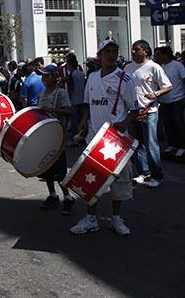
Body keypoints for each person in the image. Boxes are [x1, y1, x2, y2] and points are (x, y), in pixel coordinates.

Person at [71, 39, 138, 236]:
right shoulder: (91, 77)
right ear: (99, 55)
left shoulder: (125, 79)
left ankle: (116, 218)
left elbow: (134, 110)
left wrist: (123, 124)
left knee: (119, 181)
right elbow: (87, 105)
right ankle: (91, 218)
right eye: (107, 51)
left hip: (116, 140)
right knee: (91, 181)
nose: (111, 55)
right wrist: (83, 121)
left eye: (114, 51)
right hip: (94, 138)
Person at [125, 40, 173, 189]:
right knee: (137, 144)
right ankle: (144, 172)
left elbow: (168, 86)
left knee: (151, 144)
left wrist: (156, 93)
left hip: (149, 111)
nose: (133, 52)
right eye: (132, 49)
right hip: (133, 112)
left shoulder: (154, 67)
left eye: (136, 49)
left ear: (145, 51)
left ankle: (157, 175)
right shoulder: (127, 67)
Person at [35, 64, 75, 214]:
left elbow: (69, 112)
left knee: (60, 171)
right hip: (45, 137)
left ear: (55, 77)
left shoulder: (61, 93)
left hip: (57, 137)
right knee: (46, 169)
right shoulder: (43, 93)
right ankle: (52, 195)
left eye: (47, 75)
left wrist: (52, 111)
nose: (43, 78)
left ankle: (68, 197)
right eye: (43, 76)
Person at [154, 46, 185, 157]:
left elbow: (184, 79)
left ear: (165, 55)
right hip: (164, 101)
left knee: (178, 122)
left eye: (158, 54)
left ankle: (182, 146)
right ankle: (172, 144)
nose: (156, 57)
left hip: (177, 99)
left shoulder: (178, 66)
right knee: (168, 124)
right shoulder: (159, 67)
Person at [65, 54, 87, 144]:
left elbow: (71, 89)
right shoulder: (82, 74)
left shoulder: (71, 75)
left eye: (68, 65)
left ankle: (73, 138)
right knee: (82, 120)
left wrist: (68, 99)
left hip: (74, 100)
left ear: (70, 65)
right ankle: (82, 136)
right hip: (82, 100)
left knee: (74, 120)